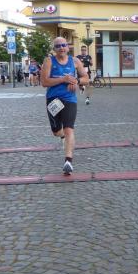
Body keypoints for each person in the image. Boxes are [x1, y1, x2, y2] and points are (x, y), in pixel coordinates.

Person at [41, 37, 89, 175]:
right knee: (56, 131)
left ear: (68, 47)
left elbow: (86, 79)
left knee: (69, 129)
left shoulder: (75, 61)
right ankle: (61, 136)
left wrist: (76, 81)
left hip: (69, 99)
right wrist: (63, 79)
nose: (61, 48)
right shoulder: (49, 61)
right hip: (53, 100)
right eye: (58, 46)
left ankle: (68, 161)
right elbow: (44, 82)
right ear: (54, 49)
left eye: (63, 45)